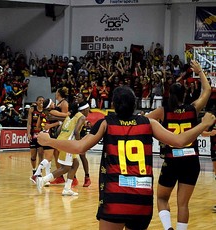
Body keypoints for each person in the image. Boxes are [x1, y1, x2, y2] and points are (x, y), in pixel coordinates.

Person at [37, 86, 215, 230]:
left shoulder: (107, 123)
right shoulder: (148, 123)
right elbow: (180, 140)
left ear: (114, 104)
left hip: (115, 198)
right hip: (142, 201)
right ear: (134, 104)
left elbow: (80, 146)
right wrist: (204, 124)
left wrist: (50, 141)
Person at [145, 60, 211, 230]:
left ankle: (168, 229)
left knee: (161, 199)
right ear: (184, 94)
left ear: (168, 94)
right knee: (183, 204)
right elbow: (208, 90)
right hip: (191, 160)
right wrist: (200, 71)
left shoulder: (163, 111)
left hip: (172, 159)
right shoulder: (193, 108)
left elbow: (144, 121)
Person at [36, 101, 90, 196]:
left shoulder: (69, 117)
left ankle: (67, 188)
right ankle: (43, 180)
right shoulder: (81, 117)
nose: (88, 111)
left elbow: (59, 130)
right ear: (85, 109)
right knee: (65, 168)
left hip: (62, 141)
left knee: (75, 164)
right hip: (69, 144)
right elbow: (77, 131)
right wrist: (79, 144)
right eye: (88, 109)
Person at [75, 93, 91, 187]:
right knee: (73, 158)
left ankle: (87, 177)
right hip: (75, 134)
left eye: (79, 97)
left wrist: (78, 143)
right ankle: (73, 178)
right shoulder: (75, 108)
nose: (77, 98)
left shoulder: (83, 111)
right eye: (76, 96)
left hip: (81, 135)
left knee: (82, 156)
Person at [27, 96, 45, 180]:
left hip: (41, 135)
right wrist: (28, 133)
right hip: (33, 134)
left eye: (42, 100)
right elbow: (29, 123)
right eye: (40, 100)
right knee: (33, 155)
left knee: (41, 153)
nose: (41, 102)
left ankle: (39, 172)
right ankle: (34, 170)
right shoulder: (32, 110)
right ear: (36, 102)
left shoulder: (45, 111)